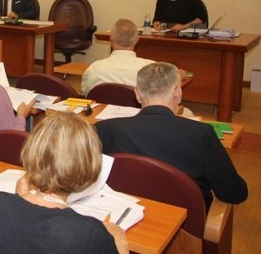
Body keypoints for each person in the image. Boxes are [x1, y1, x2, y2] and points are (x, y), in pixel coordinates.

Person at [0, 112, 127, 254]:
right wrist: (121, 246)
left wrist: (20, 199)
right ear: (89, 166)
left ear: (30, 152)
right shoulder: (90, 233)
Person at [96, 62, 248, 209]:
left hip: (124, 212)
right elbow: (234, 193)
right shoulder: (201, 134)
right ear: (178, 92)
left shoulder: (104, 129)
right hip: (189, 220)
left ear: (137, 94)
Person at [81, 18, 156, 95]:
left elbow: (86, 94)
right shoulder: (152, 70)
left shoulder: (94, 69)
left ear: (111, 39)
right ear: (137, 40)